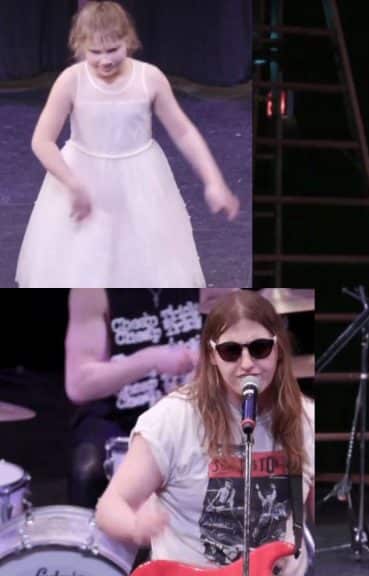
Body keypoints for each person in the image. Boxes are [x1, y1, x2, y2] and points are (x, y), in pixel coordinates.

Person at [15, 0, 239, 287]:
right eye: (95, 52)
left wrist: (214, 181)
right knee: (84, 262)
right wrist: (72, 183)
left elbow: (183, 131)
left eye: (113, 50)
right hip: (83, 177)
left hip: (140, 180)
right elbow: (42, 141)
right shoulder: (71, 80)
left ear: (128, 41)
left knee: (141, 261)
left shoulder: (150, 78)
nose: (105, 60)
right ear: (80, 46)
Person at [95, 291, 313, 575]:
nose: (247, 362)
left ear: (278, 348)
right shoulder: (172, 420)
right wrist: (136, 527)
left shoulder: (307, 419)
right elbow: (110, 506)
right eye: (231, 351)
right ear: (212, 356)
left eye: (259, 348)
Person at [65, 288, 208, 508]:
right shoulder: (93, 289)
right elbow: (78, 385)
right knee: (88, 468)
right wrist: (150, 359)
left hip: (191, 409)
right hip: (119, 417)